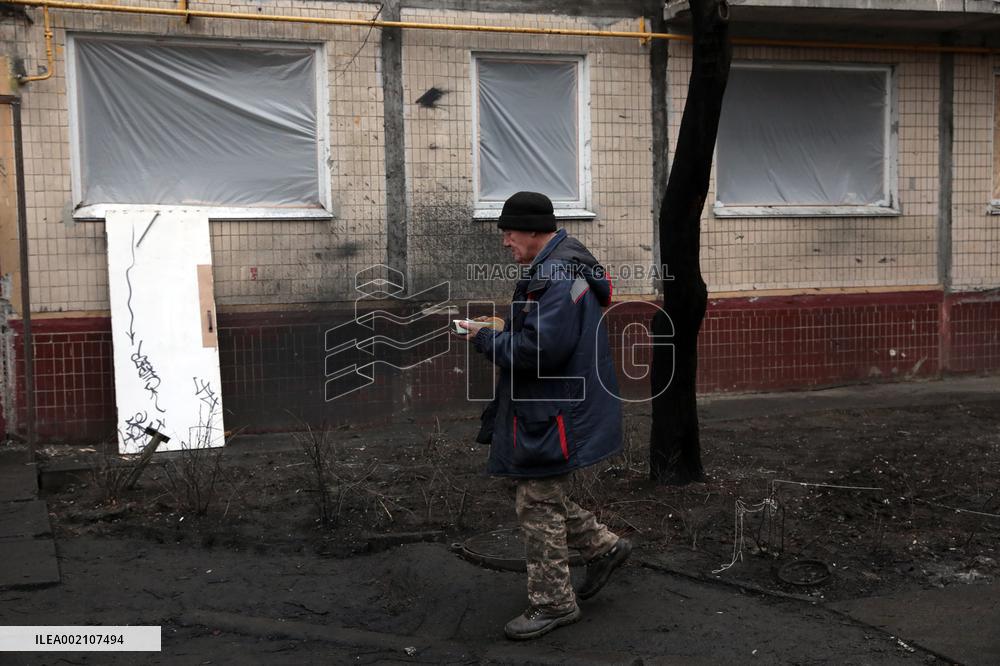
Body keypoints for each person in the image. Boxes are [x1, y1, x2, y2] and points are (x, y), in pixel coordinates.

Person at [459, 191, 631, 641]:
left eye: (508, 232)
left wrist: (484, 341)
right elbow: (548, 335)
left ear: (534, 230)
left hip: (552, 410)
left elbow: (540, 351)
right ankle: (604, 548)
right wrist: (503, 329)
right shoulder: (565, 269)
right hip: (558, 406)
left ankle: (553, 604)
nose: (504, 243)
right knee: (540, 493)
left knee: (536, 499)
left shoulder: (555, 276)